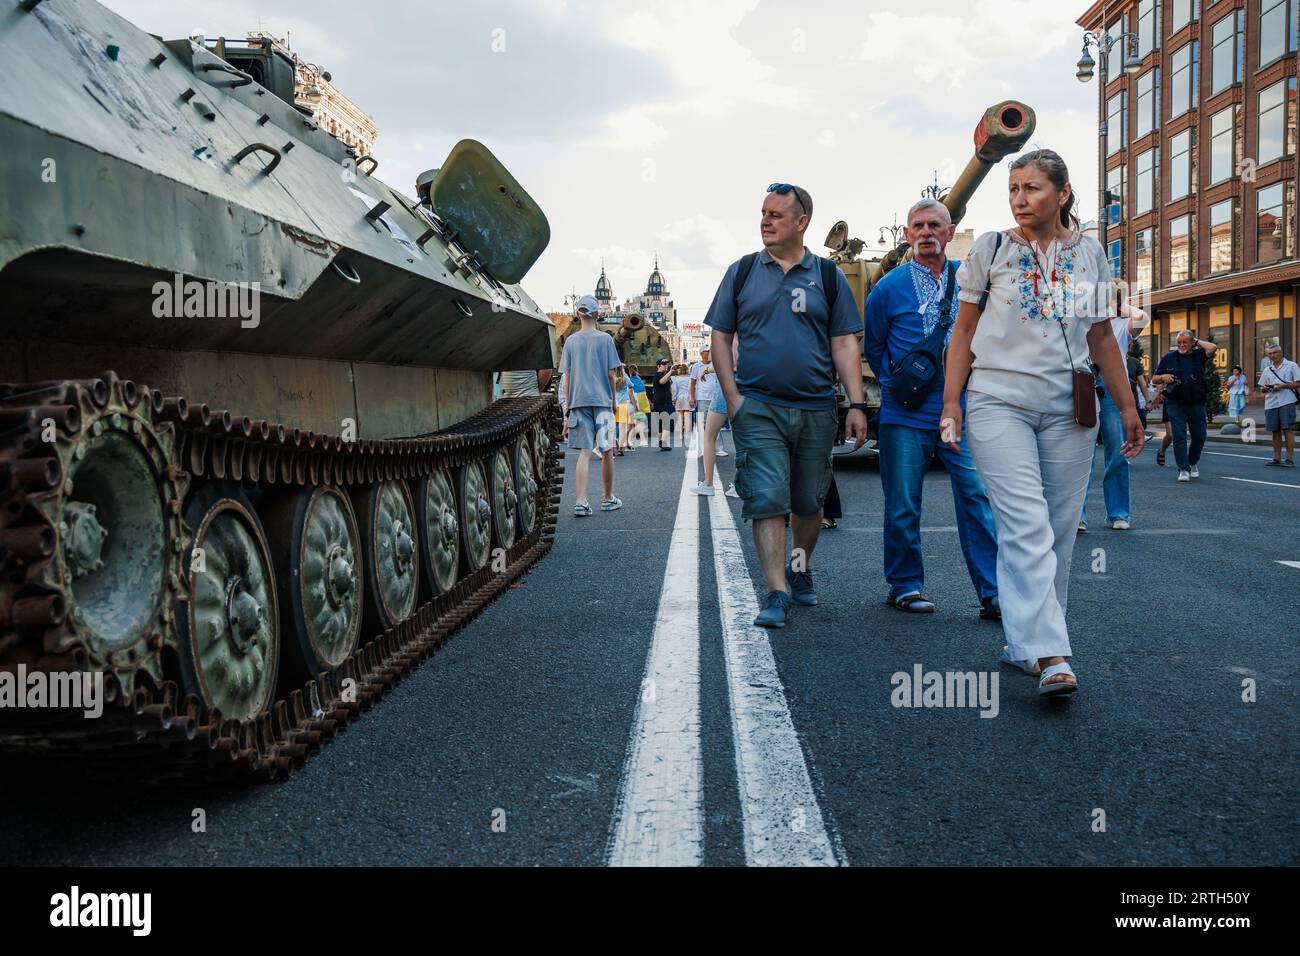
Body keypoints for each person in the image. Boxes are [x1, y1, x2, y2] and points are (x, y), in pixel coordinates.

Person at [941, 149, 1143, 697]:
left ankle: (1023, 643)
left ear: (1063, 192)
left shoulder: (1093, 255)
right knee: (1026, 523)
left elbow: (1101, 336)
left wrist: (1127, 406)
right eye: (1013, 189)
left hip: (1069, 405)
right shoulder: (992, 249)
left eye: (1031, 188)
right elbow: (962, 333)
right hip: (996, 400)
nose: (1020, 199)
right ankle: (1052, 654)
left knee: (1056, 531)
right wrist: (952, 403)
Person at [706, 182, 868, 629]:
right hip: (758, 407)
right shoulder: (742, 272)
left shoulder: (828, 277)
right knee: (768, 499)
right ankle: (776, 590)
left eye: (776, 215)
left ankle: (800, 566)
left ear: (802, 222)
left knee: (809, 502)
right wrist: (734, 398)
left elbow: (843, 342)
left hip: (816, 408)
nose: (765, 221)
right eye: (763, 213)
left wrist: (857, 403)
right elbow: (720, 336)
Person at [863, 198, 1000, 619]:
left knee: (976, 497)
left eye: (934, 225)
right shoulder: (888, 287)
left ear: (949, 231)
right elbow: (874, 345)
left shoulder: (972, 281)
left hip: (962, 410)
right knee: (904, 502)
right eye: (917, 226)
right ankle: (905, 585)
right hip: (906, 415)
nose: (925, 233)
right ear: (907, 235)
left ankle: (993, 592)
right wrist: (898, 387)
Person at [1078, 305, 1148, 531]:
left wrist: (1119, 306)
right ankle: (1077, 515)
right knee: (1081, 453)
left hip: (1112, 387)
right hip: (1084, 382)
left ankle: (1118, 513)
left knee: (1118, 450)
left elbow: (1142, 317)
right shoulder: (1083, 317)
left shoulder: (1121, 324)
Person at [557, 295, 622, 515]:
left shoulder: (571, 341)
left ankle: (581, 501)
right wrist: (613, 401)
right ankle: (607, 498)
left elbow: (566, 378)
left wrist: (567, 406)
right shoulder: (606, 340)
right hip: (602, 401)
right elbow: (612, 375)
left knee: (584, 453)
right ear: (597, 315)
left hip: (577, 402)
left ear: (578, 314)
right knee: (606, 451)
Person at [1151, 330, 1217, 482]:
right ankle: (1183, 469)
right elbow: (1154, 379)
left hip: (1196, 402)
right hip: (1175, 402)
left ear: (1192, 342)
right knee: (1179, 435)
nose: (1181, 345)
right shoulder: (1169, 358)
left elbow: (1212, 347)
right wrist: (1163, 377)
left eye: (1185, 342)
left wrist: (1196, 341)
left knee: (1200, 436)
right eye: (1179, 342)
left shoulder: (1199, 354)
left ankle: (1192, 462)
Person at [1259, 344, 1300, 466]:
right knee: (1275, 431)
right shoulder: (1267, 369)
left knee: (1287, 429)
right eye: (1270, 354)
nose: (1272, 355)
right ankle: (1277, 459)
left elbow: (1298, 383)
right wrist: (1265, 388)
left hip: (1286, 401)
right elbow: (1262, 388)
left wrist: (1283, 386)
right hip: (1271, 403)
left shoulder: (1292, 365)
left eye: (1275, 352)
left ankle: (1289, 459)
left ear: (1281, 353)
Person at [651, 358, 675, 450]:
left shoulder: (663, 374)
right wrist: (670, 372)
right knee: (666, 422)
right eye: (663, 364)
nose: (666, 366)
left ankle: (661, 441)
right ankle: (663, 442)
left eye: (666, 364)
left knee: (662, 422)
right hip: (662, 402)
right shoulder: (658, 374)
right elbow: (661, 381)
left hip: (663, 401)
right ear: (658, 366)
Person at [626, 365, 650, 447]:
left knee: (636, 422)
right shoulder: (639, 379)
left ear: (629, 372)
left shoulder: (628, 380)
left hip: (634, 401)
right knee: (631, 423)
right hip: (643, 400)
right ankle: (629, 440)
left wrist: (634, 405)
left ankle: (643, 440)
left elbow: (630, 394)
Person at [670, 363, 693, 443]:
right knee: (687, 416)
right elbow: (692, 388)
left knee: (679, 416)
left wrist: (674, 398)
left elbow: (674, 389)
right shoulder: (690, 378)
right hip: (688, 397)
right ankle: (687, 434)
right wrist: (692, 398)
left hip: (679, 397)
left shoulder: (676, 378)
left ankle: (680, 434)